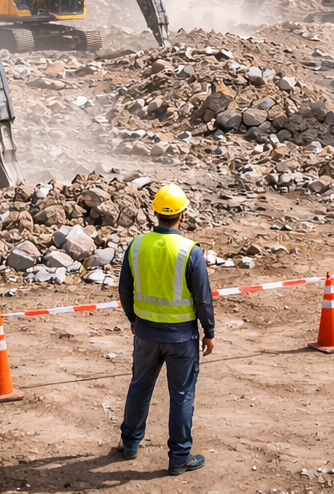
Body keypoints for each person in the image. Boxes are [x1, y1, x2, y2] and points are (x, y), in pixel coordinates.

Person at [117, 183, 214, 475]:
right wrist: (209, 332)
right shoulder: (189, 251)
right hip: (182, 338)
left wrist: (133, 318)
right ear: (182, 216)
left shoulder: (136, 245)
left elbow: (125, 289)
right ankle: (178, 458)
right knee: (182, 395)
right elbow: (202, 298)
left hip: (145, 334)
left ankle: (130, 444)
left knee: (140, 387)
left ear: (155, 213)